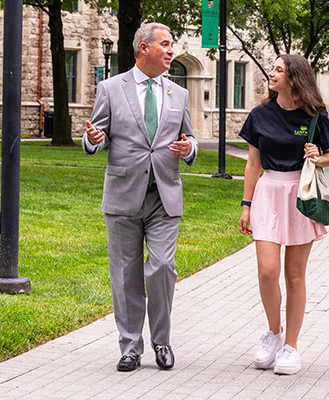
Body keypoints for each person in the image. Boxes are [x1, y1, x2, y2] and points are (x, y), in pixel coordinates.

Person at [83, 22, 198, 372]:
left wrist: (188, 147)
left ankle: (161, 340)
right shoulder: (110, 88)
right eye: (165, 44)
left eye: (172, 44)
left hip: (164, 195)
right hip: (123, 194)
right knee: (125, 274)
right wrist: (94, 139)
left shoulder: (178, 94)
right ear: (143, 48)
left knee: (162, 267)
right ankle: (130, 347)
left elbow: (190, 139)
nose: (171, 50)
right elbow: (94, 135)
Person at [238, 54, 329, 375]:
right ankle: (274, 332)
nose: (272, 73)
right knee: (267, 271)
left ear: (294, 77)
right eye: (273, 68)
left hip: (300, 195)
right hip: (269, 191)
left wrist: (318, 157)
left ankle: (291, 346)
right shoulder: (260, 115)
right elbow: (253, 164)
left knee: (294, 276)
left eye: (278, 69)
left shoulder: (315, 116)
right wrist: (246, 204)